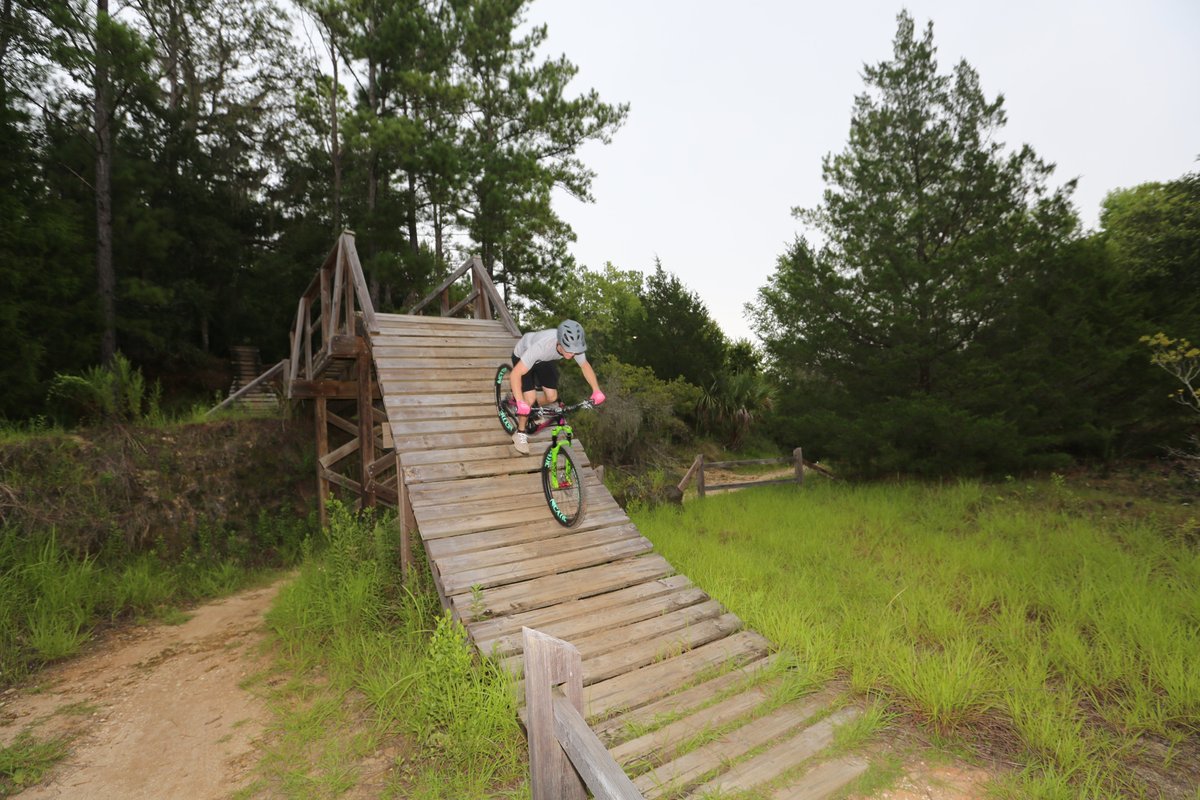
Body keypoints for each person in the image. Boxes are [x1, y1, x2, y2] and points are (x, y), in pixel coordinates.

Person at [509, 319, 606, 454]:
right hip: (524, 354)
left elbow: (585, 366)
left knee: (552, 397)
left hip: (544, 359)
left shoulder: (574, 346)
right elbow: (515, 374)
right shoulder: (542, 347)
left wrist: (597, 390)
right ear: (559, 342)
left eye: (574, 351)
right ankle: (519, 433)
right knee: (529, 399)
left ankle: (530, 405)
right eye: (569, 350)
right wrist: (521, 402)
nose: (572, 355)